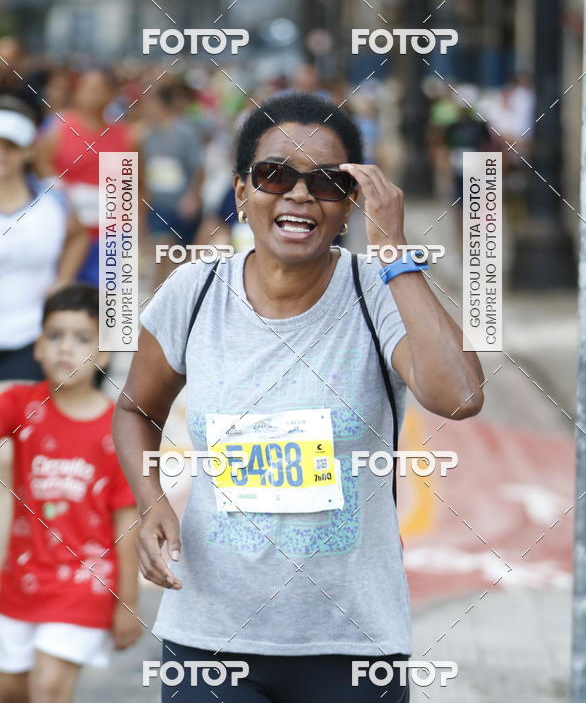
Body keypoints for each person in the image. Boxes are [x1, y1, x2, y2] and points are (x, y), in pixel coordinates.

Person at [114, 92, 484, 702]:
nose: (299, 194)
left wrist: (393, 250)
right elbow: (135, 408)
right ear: (241, 193)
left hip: (353, 645)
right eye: (274, 174)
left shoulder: (378, 294)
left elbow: (462, 396)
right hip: (210, 637)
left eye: (328, 183)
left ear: (351, 203)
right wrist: (152, 502)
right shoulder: (195, 290)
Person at [0, 284, 142, 703]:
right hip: (20, 582)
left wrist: (127, 602)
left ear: (103, 355)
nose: (66, 349)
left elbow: (127, 523)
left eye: (82, 339)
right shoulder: (20, 405)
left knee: (48, 688)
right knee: (11, 691)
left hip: (85, 584)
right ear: (38, 345)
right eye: (55, 336)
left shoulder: (118, 430)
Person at [0, 98, 88, 382]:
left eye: (10, 146)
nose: (2, 154)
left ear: (27, 152)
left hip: (31, 336)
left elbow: (78, 236)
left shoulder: (53, 198)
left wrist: (63, 280)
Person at [37, 68, 135, 286]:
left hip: (110, 236)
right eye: (88, 88)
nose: (93, 94)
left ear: (111, 94)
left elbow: (135, 188)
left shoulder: (126, 136)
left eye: (99, 89)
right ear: (77, 92)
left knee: (107, 305)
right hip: (66, 233)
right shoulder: (57, 129)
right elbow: (41, 171)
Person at [141, 84, 204, 282]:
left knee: (176, 256)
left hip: (179, 205)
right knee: (160, 248)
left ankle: (171, 292)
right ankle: (157, 293)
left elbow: (198, 168)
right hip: (157, 204)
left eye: (151, 103)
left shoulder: (184, 133)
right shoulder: (148, 134)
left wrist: (192, 196)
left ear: (162, 105)